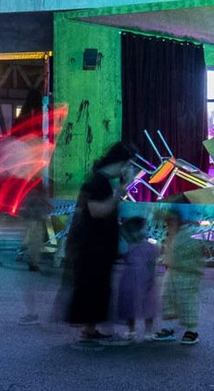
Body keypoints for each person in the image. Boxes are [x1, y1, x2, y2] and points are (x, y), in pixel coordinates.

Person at [65, 143, 132, 343]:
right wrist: (120, 192)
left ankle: (90, 327)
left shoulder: (101, 181)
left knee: (97, 285)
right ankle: (89, 327)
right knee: (94, 285)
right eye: (127, 165)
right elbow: (97, 210)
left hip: (97, 245)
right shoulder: (99, 183)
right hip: (94, 246)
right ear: (120, 163)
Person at [114, 216, 164, 342]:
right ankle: (142, 331)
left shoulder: (131, 246)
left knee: (140, 304)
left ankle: (134, 331)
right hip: (139, 278)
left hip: (132, 278)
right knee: (142, 304)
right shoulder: (148, 247)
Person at [160, 199, 202, 344]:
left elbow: (195, 256)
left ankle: (192, 330)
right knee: (167, 300)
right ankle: (168, 328)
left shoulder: (188, 235)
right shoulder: (170, 233)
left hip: (187, 273)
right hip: (172, 271)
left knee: (187, 302)